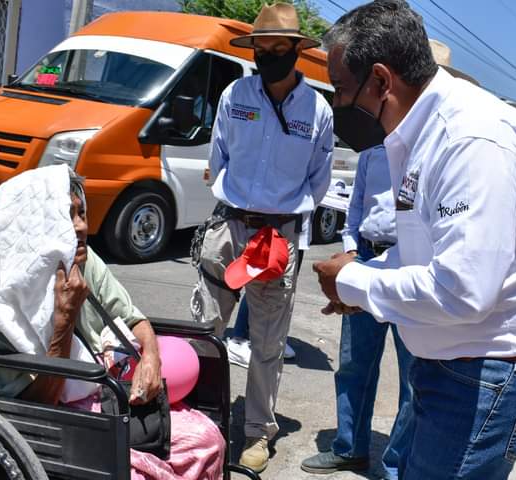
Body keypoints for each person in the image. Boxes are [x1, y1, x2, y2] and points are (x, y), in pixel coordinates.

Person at [312, 1, 516, 478]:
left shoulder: (470, 139)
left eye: (340, 89)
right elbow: (427, 251)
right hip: (463, 363)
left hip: (494, 371)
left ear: (380, 80)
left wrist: (354, 283)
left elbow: (463, 291)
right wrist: (367, 275)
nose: (336, 106)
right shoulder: (423, 136)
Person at [0, 170, 225, 480]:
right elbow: (36, 405)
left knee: (208, 439)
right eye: (66, 216)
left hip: (108, 398)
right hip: (55, 420)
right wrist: (64, 319)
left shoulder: (85, 259)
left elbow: (134, 317)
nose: (80, 226)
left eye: (81, 213)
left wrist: (151, 358)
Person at [190, 2, 334, 473]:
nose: (269, 55)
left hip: (277, 237)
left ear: (296, 50)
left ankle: (257, 433)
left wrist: (287, 225)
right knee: (206, 329)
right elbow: (220, 155)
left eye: (279, 48)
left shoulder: (318, 111)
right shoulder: (235, 95)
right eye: (262, 48)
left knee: (267, 342)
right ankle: (199, 413)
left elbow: (319, 180)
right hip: (228, 227)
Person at [301, 145, 413, 479]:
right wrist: (351, 252)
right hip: (365, 257)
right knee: (354, 364)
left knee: (415, 375)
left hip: (410, 264)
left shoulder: (426, 147)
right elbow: (355, 211)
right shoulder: (371, 154)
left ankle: (397, 466)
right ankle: (349, 449)